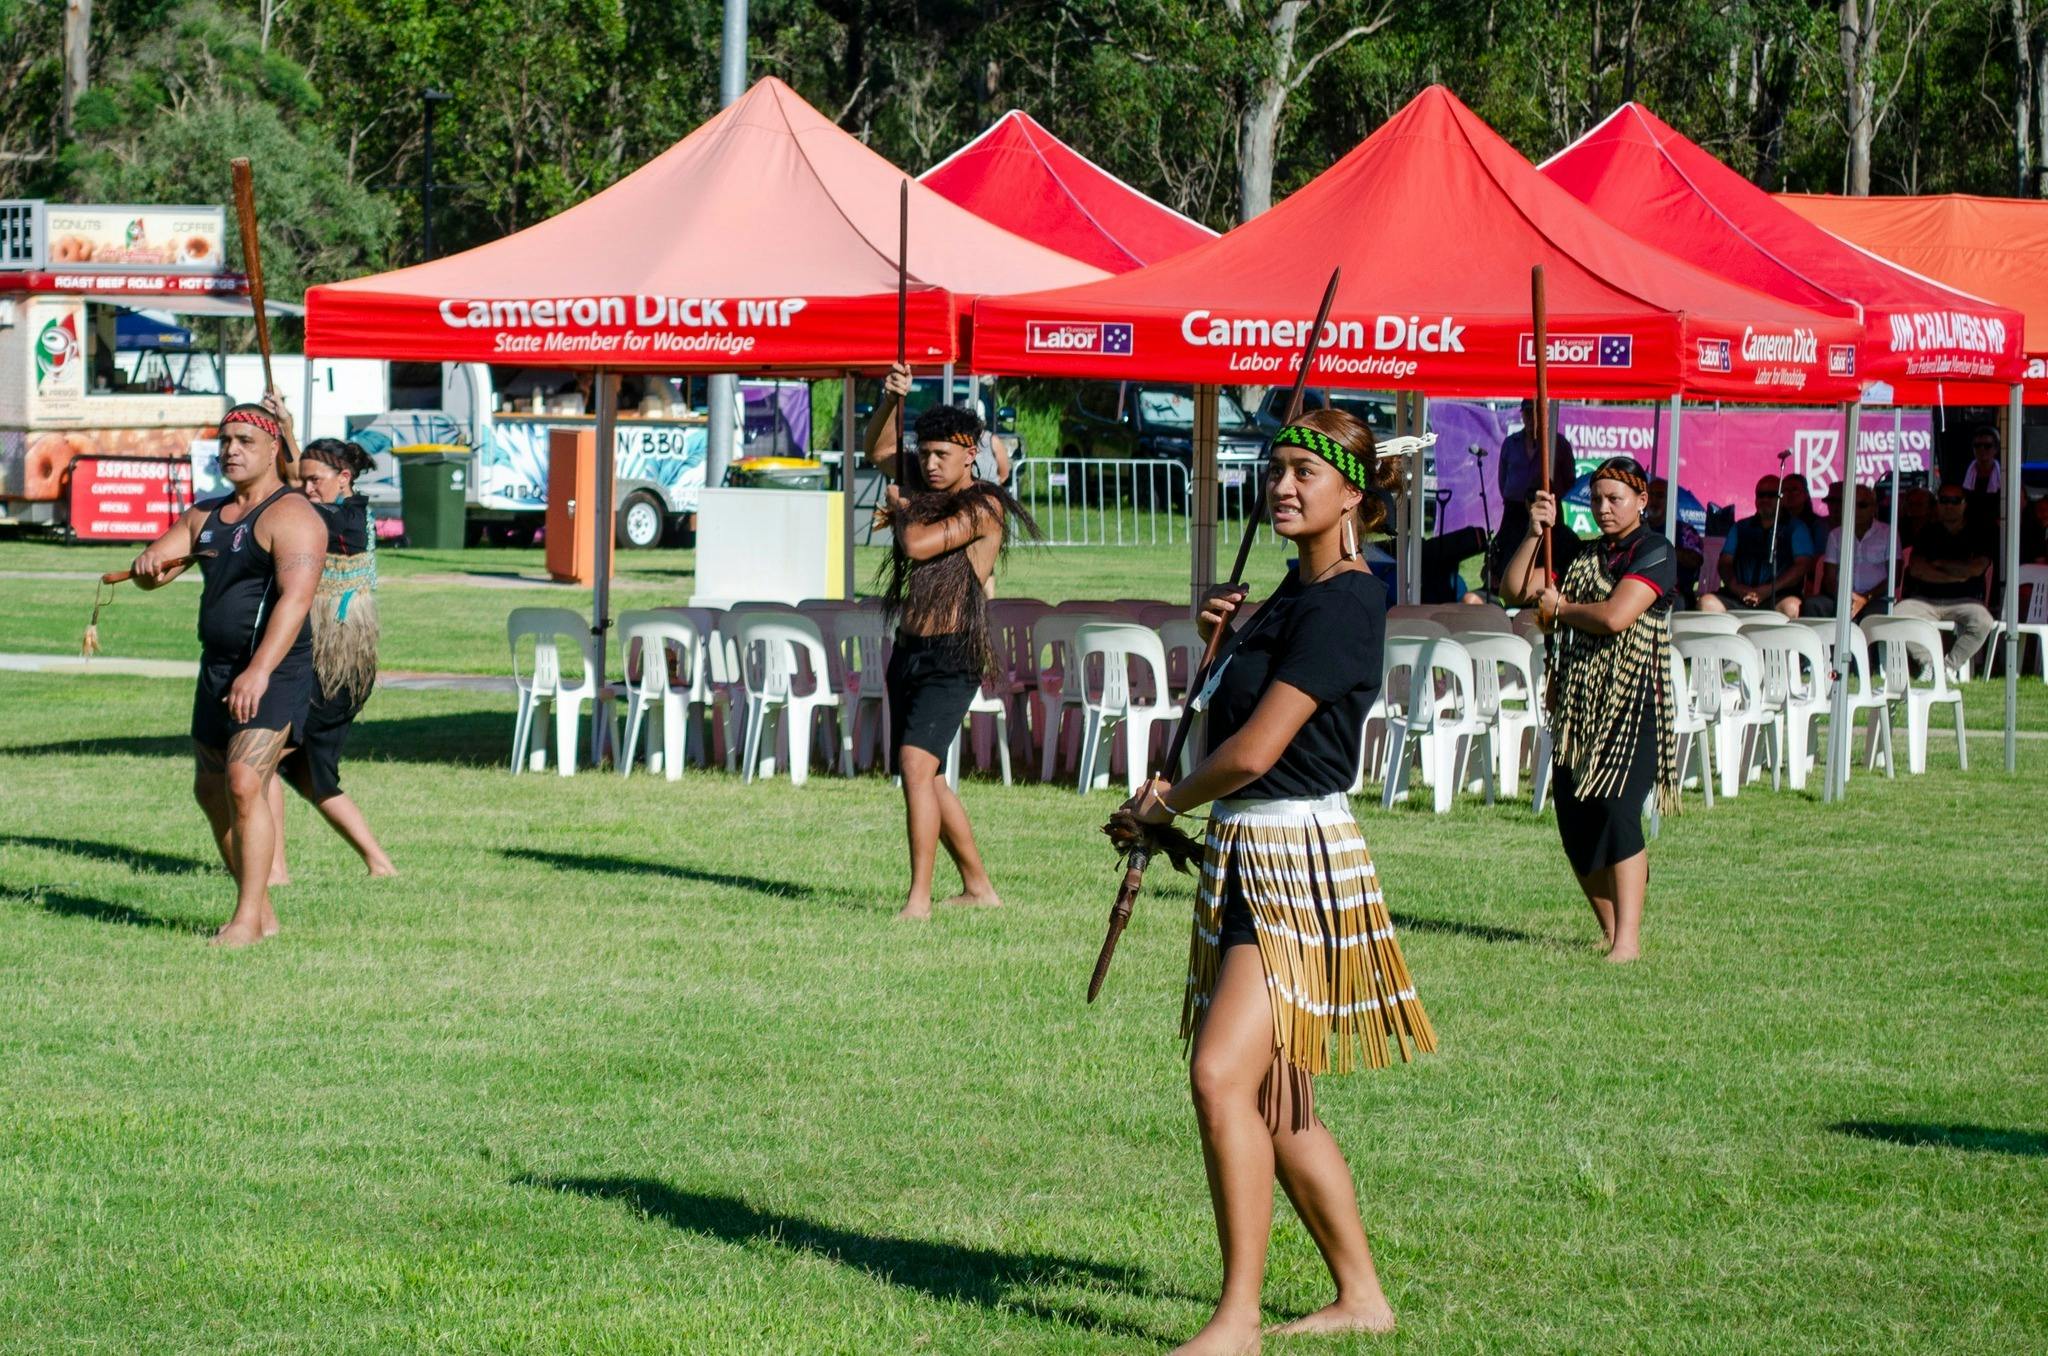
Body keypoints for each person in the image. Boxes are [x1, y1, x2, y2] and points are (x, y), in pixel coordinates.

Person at [1120, 409, 1433, 1354]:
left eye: (1306, 472)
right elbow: (1230, 719)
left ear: (1356, 497)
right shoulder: (1282, 600)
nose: (1284, 485)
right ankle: (1361, 1297)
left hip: (1297, 861)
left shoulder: (1346, 601)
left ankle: (1239, 1321)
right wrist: (1216, 642)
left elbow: (1256, 754)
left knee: (1220, 1076)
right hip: (1248, 858)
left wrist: (1164, 806)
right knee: (1272, 1095)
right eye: (1276, 469)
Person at [128, 404, 326, 946]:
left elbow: (296, 600)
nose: (231, 450)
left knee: (245, 782)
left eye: (244, 440)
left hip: (273, 670)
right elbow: (157, 572)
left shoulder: (294, 517)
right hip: (215, 669)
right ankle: (259, 910)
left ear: (272, 449)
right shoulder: (204, 515)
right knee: (211, 789)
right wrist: (149, 565)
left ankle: (244, 923)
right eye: (224, 441)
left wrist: (259, 670)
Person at [870, 393, 1039, 921]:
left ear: (971, 454)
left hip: (954, 653)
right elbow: (877, 448)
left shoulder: (985, 505)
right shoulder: (922, 488)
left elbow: (919, 545)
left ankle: (918, 901)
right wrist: (889, 399)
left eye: (942, 454)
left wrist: (900, 509)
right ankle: (978, 887)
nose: (930, 463)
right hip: (909, 649)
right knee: (931, 776)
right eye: (924, 454)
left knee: (915, 767)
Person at [1506, 456, 1677, 963]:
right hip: (1578, 710)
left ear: (1642, 501)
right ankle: (1609, 930)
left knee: (1617, 813)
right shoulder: (1581, 555)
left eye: (1615, 499)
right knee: (1574, 819)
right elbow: (1514, 589)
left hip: (1632, 703)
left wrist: (1561, 611)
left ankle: (1628, 941)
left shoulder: (1656, 552)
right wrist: (1535, 532)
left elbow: (1617, 615)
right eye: (1597, 499)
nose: (1603, 508)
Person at [265, 434, 397, 880]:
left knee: (260, 756)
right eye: (303, 481)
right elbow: (300, 482)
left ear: (345, 478)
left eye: (314, 480)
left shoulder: (347, 518)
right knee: (314, 777)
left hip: (335, 669)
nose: (306, 489)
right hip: (320, 666)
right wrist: (283, 422)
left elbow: (292, 500)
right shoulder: (335, 503)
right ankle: (380, 865)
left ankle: (274, 871)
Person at [1898, 487, 1997, 678]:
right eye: (1943, 500)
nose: (1949, 505)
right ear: (1937, 504)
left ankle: (1949, 666)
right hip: (1925, 600)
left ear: (1964, 504)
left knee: (1984, 621)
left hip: (1966, 602)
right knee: (1896, 615)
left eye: (1955, 500)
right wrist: (1957, 574)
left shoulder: (1979, 532)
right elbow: (1918, 569)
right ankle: (1929, 664)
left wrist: (1939, 564)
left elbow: (1976, 568)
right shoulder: (1927, 531)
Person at [1486, 399, 1574, 592]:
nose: (1532, 417)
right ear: (1522, 414)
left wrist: (1549, 497)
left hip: (1548, 506)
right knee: (1506, 547)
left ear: (1545, 414)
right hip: (1515, 507)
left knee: (1552, 548)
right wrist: (1517, 496)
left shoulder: (1559, 444)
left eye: (1536, 412)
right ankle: (1500, 583)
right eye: (1527, 412)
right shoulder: (1511, 443)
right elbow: (1503, 478)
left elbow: (1569, 480)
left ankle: (1548, 582)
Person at [1697, 475, 1812, 617]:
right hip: (1738, 594)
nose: (1765, 499)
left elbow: (1802, 566)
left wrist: (1768, 590)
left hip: (1778, 595)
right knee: (1706, 604)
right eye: (1760, 495)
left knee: (1792, 608)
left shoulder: (1796, 528)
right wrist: (1737, 588)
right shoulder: (1740, 527)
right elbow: (1725, 563)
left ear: (1782, 499)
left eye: (1771, 495)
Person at [1805, 484, 1890, 620]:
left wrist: (1866, 598)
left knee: (1874, 615)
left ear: (1874, 507)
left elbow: (1894, 577)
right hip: (1842, 596)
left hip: (1876, 598)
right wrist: (1848, 597)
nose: (1856, 510)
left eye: (1862, 505)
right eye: (1852, 504)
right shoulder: (1836, 535)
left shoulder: (1888, 533)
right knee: (1812, 604)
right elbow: (1829, 578)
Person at [1647, 479, 1704, 608]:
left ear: (1670, 500)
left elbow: (1696, 560)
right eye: (1651, 495)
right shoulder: (1637, 528)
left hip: (1675, 593)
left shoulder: (1684, 531)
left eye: (1660, 496)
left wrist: (1664, 551)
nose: (1654, 501)